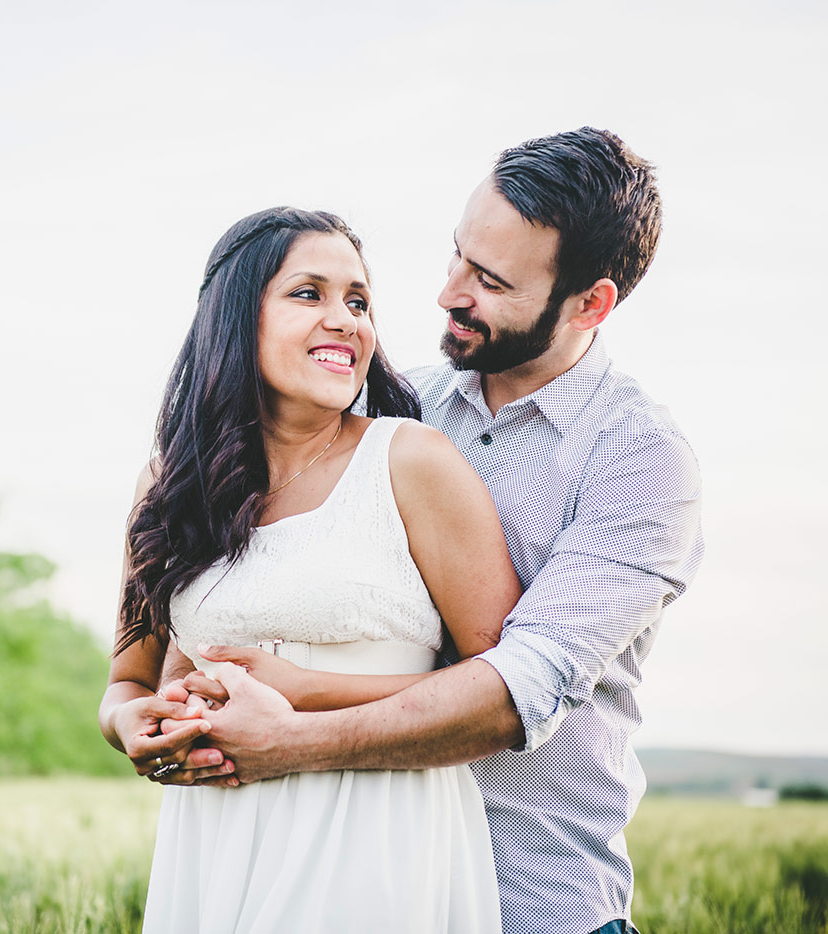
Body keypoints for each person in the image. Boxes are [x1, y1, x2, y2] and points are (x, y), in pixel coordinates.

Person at [180, 128, 704, 934]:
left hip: (537, 906)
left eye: (490, 280)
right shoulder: (382, 407)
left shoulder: (639, 464)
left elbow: (511, 695)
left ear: (590, 303)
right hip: (354, 892)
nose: (449, 292)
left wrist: (286, 736)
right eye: (457, 255)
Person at [98, 207, 524, 931]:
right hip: (217, 842)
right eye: (310, 293)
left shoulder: (412, 461)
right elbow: (128, 681)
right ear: (236, 317)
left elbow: (503, 693)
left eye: (358, 301)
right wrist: (133, 723)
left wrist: (307, 694)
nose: (347, 320)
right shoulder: (170, 486)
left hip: (378, 835)